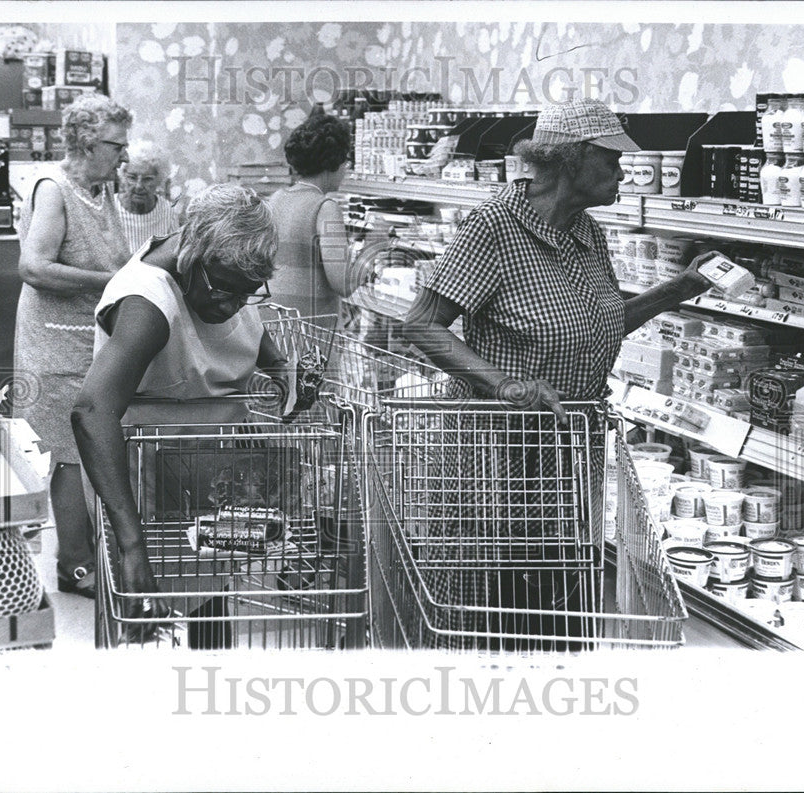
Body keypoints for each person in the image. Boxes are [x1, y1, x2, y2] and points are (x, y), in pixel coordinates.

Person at [402, 98, 718, 650]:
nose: (623, 173)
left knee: (565, 590)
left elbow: (602, 323)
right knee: (500, 595)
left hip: (571, 445)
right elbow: (423, 325)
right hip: (500, 452)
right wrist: (504, 384)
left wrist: (678, 289)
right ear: (573, 160)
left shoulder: (587, 234)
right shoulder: (493, 227)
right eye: (612, 161)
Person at [71, 183, 288, 610]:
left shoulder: (221, 275)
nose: (234, 306)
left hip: (203, 468)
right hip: (141, 483)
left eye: (249, 293)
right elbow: (91, 412)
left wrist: (287, 377)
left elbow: (256, 341)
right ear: (190, 256)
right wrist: (132, 546)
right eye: (227, 292)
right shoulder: (146, 305)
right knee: (140, 616)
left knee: (210, 599)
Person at [13, 93, 133, 599]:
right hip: (54, 342)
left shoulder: (101, 191)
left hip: (90, 336)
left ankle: (94, 553)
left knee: (93, 444)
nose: (124, 156)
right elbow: (34, 266)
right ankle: (75, 566)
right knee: (65, 452)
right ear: (86, 141)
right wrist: (107, 280)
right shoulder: (54, 190)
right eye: (116, 146)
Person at [268, 113, 369, 323]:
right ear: (334, 162)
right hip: (311, 329)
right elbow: (343, 284)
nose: (345, 169)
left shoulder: (276, 199)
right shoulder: (326, 208)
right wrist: (371, 254)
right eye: (345, 161)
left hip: (273, 322)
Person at [114, 139, 180, 252]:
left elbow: (172, 257)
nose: (139, 186)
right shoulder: (109, 208)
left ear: (159, 180)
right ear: (123, 176)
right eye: (132, 177)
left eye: (147, 179)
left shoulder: (169, 213)